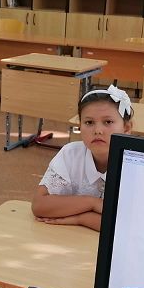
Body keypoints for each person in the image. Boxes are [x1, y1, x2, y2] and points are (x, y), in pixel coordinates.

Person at [31, 85, 132, 231]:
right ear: (80, 126)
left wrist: (81, 218)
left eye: (108, 122)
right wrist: (93, 203)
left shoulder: (135, 164)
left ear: (127, 128)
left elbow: (129, 226)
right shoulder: (70, 154)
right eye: (89, 122)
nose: (98, 131)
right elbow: (40, 206)